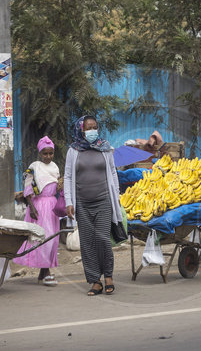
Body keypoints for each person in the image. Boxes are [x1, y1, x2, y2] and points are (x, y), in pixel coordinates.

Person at [64, 115, 122, 296]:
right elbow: (68, 177)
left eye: (94, 127)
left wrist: (116, 197)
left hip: (104, 200)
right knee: (87, 243)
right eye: (88, 128)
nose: (92, 131)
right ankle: (95, 281)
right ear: (81, 130)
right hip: (82, 203)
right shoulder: (73, 151)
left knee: (103, 239)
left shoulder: (105, 148)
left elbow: (112, 172)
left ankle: (109, 277)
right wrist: (69, 202)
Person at [15, 136, 62, 286]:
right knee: (43, 239)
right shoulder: (34, 167)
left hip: (52, 207)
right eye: (45, 153)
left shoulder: (55, 167)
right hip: (39, 207)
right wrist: (32, 207)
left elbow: (57, 186)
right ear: (40, 153)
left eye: (50, 153)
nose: (48, 156)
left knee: (53, 240)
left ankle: (43, 272)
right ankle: (47, 272)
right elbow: (28, 189)